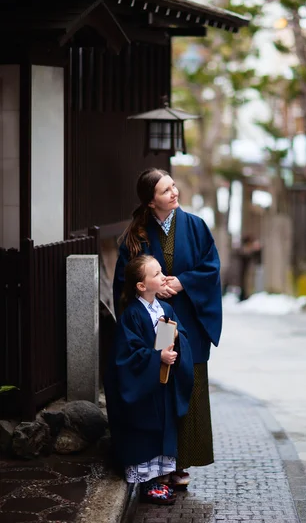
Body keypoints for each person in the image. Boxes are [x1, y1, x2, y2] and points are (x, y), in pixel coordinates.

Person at [113, 168, 222, 489]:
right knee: (164, 383)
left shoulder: (195, 226)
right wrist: (151, 289)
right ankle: (164, 461)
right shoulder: (137, 234)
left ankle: (182, 461)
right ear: (150, 201)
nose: (174, 193)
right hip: (160, 321)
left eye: (173, 187)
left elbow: (211, 268)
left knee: (191, 384)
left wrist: (183, 281)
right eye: (165, 191)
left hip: (189, 316)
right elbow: (125, 278)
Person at [104, 254, 194, 505]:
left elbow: (180, 334)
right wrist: (157, 358)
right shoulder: (131, 315)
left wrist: (175, 343)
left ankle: (162, 478)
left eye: (161, 271)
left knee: (163, 427)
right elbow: (127, 355)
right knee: (144, 430)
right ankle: (146, 482)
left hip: (162, 385)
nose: (163, 276)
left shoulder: (166, 308)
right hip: (144, 385)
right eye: (156, 274)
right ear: (141, 286)